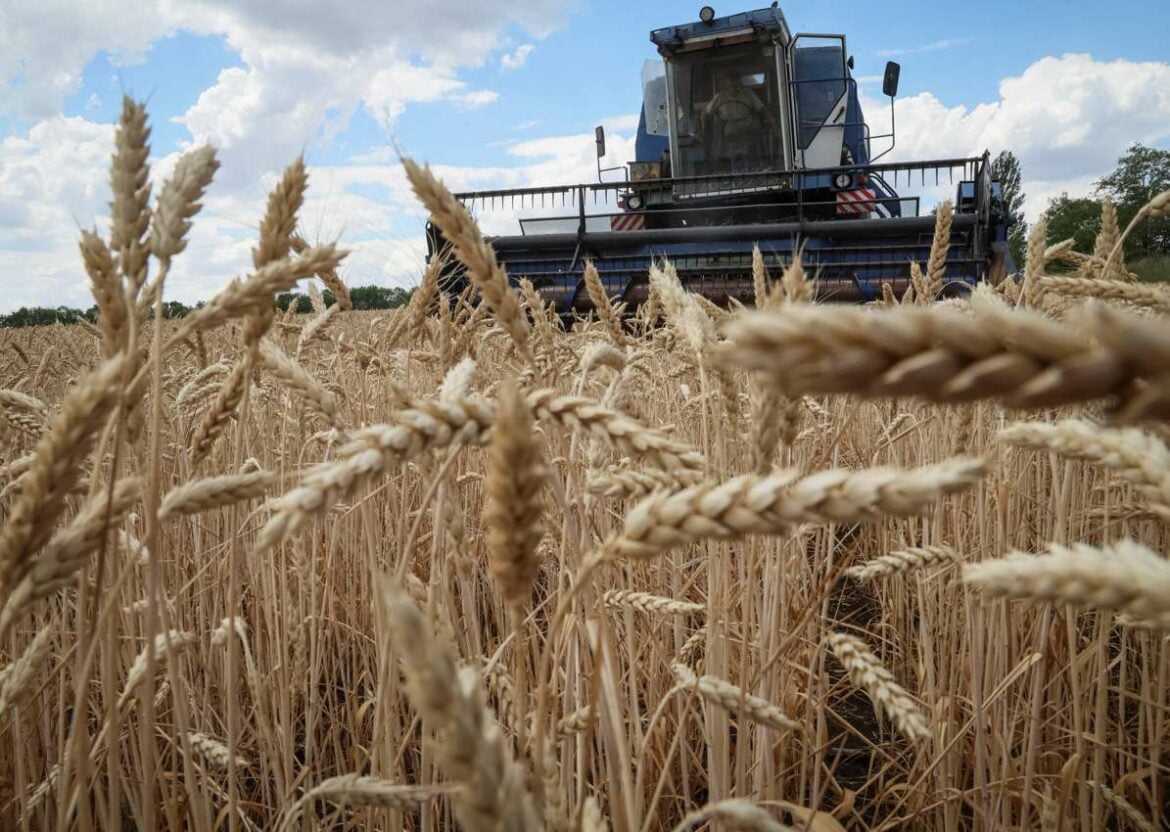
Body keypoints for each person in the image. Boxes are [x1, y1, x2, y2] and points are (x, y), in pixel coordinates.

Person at [702, 72, 774, 170]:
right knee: (722, 145)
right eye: (729, 86)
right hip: (727, 131)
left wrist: (772, 124)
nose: (733, 89)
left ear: (740, 84)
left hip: (748, 128)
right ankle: (722, 169)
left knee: (759, 137)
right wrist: (704, 129)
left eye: (736, 85)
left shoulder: (749, 94)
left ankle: (760, 166)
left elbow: (763, 110)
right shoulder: (719, 97)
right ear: (725, 86)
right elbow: (706, 113)